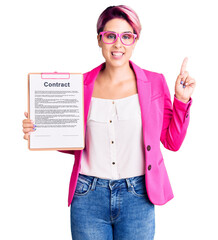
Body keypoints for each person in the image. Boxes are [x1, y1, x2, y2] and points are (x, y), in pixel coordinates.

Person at [22, 5, 196, 240]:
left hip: (138, 195)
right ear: (99, 39)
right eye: (110, 36)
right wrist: (40, 129)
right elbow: (75, 142)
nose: (118, 44)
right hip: (88, 196)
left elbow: (172, 142)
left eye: (126, 37)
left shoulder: (154, 83)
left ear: (135, 41)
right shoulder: (80, 86)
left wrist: (182, 101)